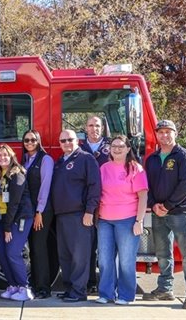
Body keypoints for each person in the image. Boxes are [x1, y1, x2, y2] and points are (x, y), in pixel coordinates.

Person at [143, 120, 186, 309]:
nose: (165, 135)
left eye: (169, 132)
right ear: (157, 135)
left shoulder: (184, 157)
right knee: (163, 253)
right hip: (159, 213)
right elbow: (147, 185)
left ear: (175, 134)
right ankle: (165, 289)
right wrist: (154, 204)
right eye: (161, 132)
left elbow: (185, 185)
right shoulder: (151, 159)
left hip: (181, 213)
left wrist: (167, 206)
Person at [96, 135, 148, 305]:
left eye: (120, 146)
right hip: (105, 220)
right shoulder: (103, 168)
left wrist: (139, 221)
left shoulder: (135, 168)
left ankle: (125, 295)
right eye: (113, 146)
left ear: (127, 149)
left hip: (127, 220)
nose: (116, 149)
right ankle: (106, 294)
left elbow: (143, 196)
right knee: (104, 259)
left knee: (126, 260)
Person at [51, 129, 101, 302]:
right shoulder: (59, 162)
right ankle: (69, 288)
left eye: (69, 140)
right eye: (63, 140)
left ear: (77, 141)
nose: (66, 143)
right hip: (61, 216)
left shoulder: (86, 159)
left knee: (80, 256)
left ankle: (79, 292)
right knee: (65, 255)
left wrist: (89, 211)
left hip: (79, 215)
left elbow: (95, 187)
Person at [0, 144, 34, 302]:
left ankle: (25, 288)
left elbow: (14, 204)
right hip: (3, 217)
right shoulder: (0, 174)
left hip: (19, 218)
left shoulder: (17, 174)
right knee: (2, 253)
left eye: (5, 155)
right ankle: (13, 286)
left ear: (12, 157)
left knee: (12, 252)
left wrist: (8, 227)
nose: (2, 158)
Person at [21, 129, 55, 299]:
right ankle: (34, 285)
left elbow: (45, 186)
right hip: (29, 210)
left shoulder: (46, 159)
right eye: (26, 140)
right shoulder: (25, 160)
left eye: (33, 140)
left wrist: (39, 211)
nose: (29, 143)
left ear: (38, 141)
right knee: (33, 249)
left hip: (41, 211)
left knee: (39, 249)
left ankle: (44, 288)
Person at [79, 116, 110, 293]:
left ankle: (107, 282)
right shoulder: (79, 148)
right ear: (85, 128)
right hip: (86, 204)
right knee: (88, 246)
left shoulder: (112, 147)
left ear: (102, 128)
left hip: (107, 203)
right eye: (90, 125)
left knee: (106, 246)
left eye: (97, 125)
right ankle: (90, 281)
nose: (94, 129)